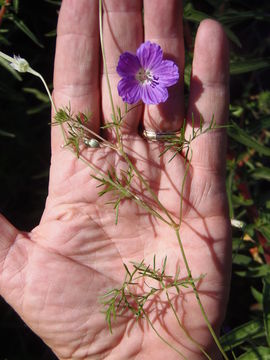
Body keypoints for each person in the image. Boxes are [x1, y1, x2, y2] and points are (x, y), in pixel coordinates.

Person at [0, 0, 231, 359]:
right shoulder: (130, 78)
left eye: (147, 74)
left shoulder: (149, 75)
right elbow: (129, 78)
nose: (145, 76)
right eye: (141, 75)